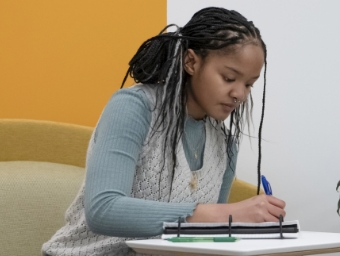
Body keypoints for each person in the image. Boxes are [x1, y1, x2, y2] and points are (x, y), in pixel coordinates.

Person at [42, 6, 285, 255]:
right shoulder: (135, 108)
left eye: (249, 84)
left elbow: (204, 236)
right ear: (191, 61)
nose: (240, 94)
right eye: (229, 78)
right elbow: (103, 210)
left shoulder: (224, 144)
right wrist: (224, 214)